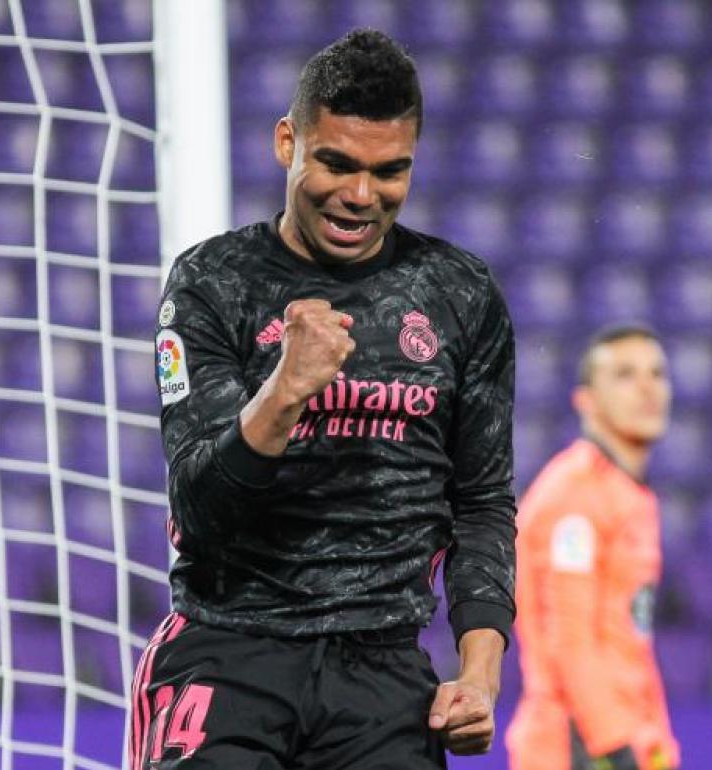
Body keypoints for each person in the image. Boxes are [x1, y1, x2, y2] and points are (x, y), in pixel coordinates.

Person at [130, 29, 517, 770]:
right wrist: (285, 389)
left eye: (388, 172)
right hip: (229, 652)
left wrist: (479, 673)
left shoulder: (461, 295)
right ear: (288, 143)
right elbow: (200, 508)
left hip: (383, 674)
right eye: (336, 163)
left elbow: (482, 504)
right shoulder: (214, 283)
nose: (361, 196)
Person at [504, 324, 680, 770]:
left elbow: (629, 641)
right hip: (579, 748)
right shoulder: (577, 498)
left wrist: (655, 742)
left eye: (656, 373)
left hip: (626, 738)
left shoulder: (627, 493)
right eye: (624, 375)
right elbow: (571, 640)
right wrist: (616, 747)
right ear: (586, 402)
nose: (647, 388)